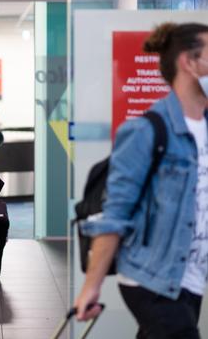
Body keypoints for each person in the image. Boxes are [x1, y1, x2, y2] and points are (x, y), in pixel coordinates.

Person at [74, 22, 208, 338]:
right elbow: (114, 216)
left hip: (191, 277)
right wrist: (91, 287)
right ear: (189, 62)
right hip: (151, 276)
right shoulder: (146, 132)